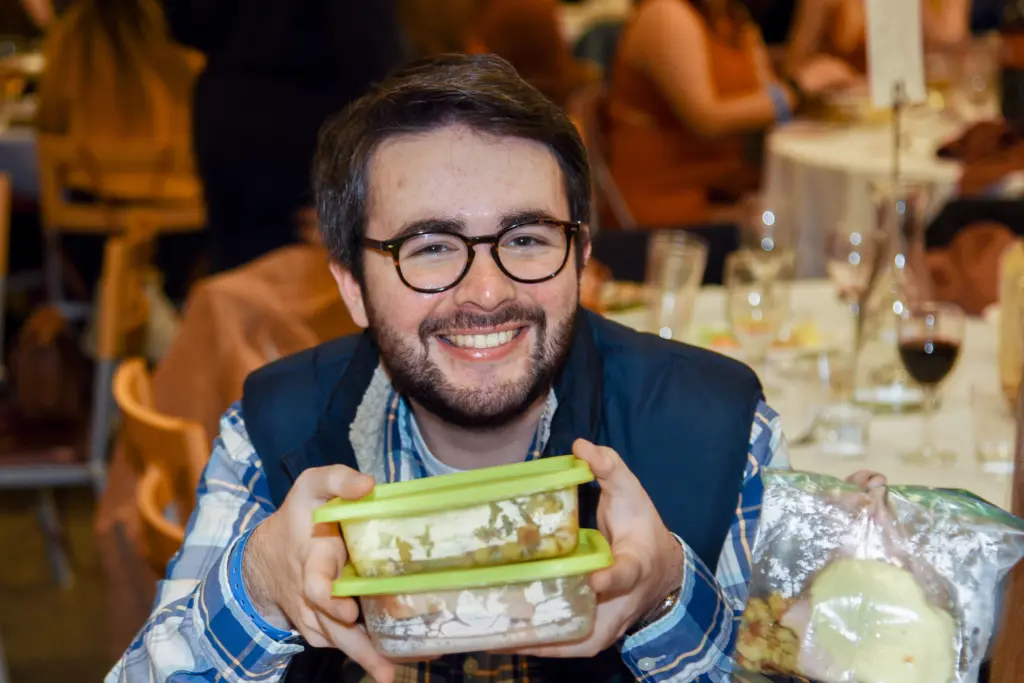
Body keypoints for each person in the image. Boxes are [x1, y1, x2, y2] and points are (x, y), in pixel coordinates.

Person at [108, 54, 881, 683]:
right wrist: (259, 587)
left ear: (581, 256)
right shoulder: (275, 431)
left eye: (527, 238)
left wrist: (670, 593)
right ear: (350, 284)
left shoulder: (720, 425)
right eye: (431, 246)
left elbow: (807, 671)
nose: (487, 292)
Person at [604, 0, 855, 281]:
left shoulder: (733, 19)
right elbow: (707, 118)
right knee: (805, 236)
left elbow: (767, 100)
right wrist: (797, 88)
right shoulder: (667, 14)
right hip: (669, 215)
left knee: (816, 227)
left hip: (725, 195)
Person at [159, 0, 406, 273]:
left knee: (245, 270)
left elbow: (187, 23)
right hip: (322, 115)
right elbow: (369, 41)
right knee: (310, 278)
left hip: (231, 108)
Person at [784, 0, 970, 75]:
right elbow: (793, 67)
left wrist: (918, 10)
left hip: (913, 116)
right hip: (843, 122)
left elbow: (953, 47)